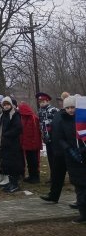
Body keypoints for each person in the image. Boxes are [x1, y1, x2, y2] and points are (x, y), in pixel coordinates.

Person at [53, 95, 86, 223]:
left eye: (73, 107)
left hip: (84, 154)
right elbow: (59, 138)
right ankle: (83, 214)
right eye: (68, 108)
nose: (71, 110)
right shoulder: (61, 120)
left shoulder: (82, 119)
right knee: (79, 188)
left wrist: (82, 149)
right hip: (72, 158)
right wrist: (70, 150)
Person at [0, 96, 24, 193]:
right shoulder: (4, 114)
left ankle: (15, 184)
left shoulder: (15, 114)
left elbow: (18, 128)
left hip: (13, 143)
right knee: (7, 163)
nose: (6, 106)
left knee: (13, 164)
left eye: (8, 104)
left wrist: (7, 134)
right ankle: (11, 182)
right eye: (4, 105)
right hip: (6, 143)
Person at [36, 92, 59, 176]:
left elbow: (58, 123)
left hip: (54, 138)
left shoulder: (54, 110)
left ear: (48, 101)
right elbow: (41, 124)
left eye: (43, 101)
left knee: (55, 158)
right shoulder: (40, 111)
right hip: (46, 138)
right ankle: (53, 176)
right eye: (40, 102)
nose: (42, 103)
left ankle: (57, 176)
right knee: (50, 158)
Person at [18, 102, 42, 184]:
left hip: (33, 145)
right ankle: (32, 176)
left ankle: (35, 177)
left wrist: (35, 144)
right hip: (27, 144)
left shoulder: (33, 118)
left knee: (34, 162)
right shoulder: (23, 118)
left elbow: (36, 133)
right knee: (29, 161)